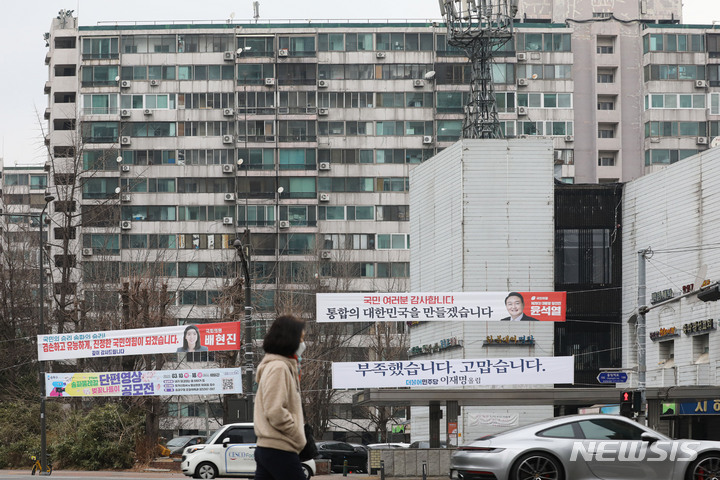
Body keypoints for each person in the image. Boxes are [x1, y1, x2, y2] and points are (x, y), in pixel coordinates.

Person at [254, 314, 307, 480]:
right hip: (280, 448)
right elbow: (275, 411)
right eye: (301, 338)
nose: (303, 343)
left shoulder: (281, 366)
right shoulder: (279, 368)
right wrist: (298, 436)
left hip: (268, 448)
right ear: (289, 339)